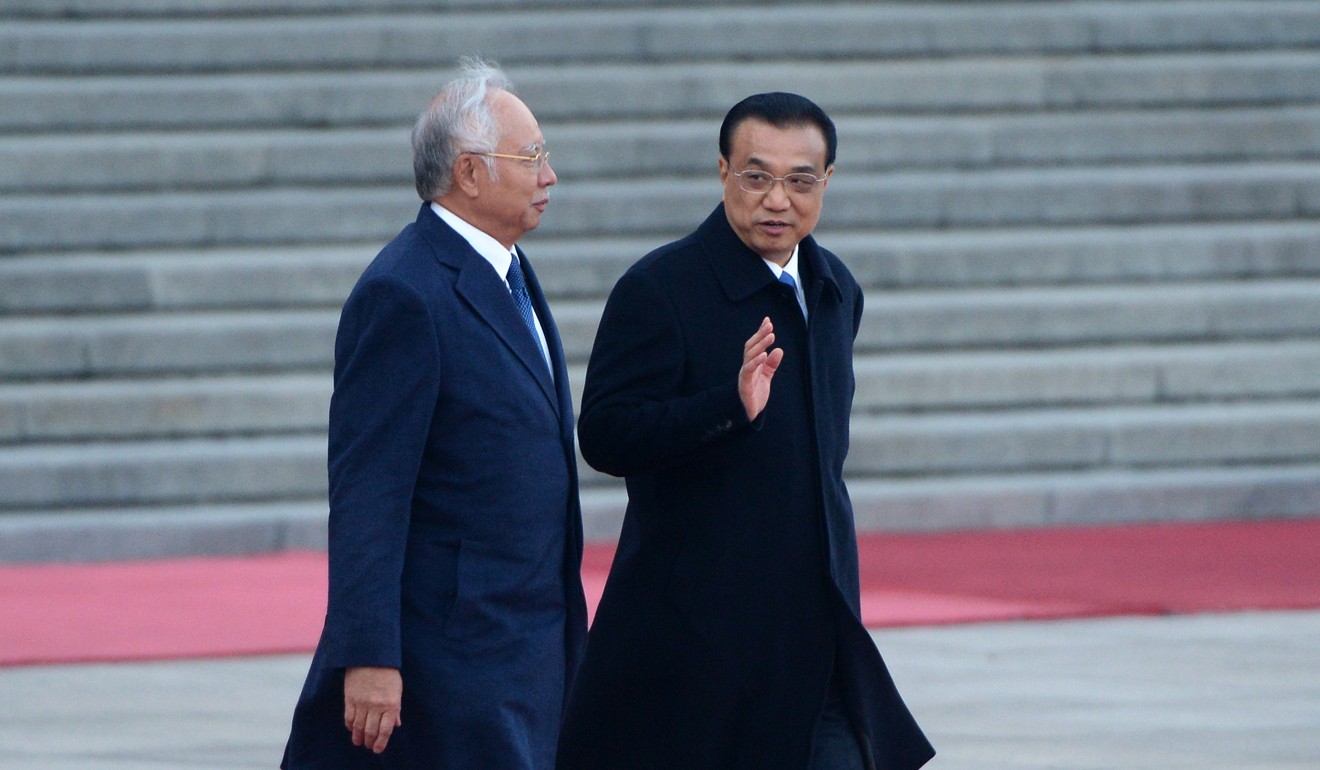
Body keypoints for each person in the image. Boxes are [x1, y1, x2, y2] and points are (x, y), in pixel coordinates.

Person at [555, 92, 934, 770]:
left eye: (800, 180)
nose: (777, 200)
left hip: (814, 635)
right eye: (756, 176)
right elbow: (605, 434)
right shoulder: (660, 288)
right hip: (696, 643)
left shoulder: (834, 288)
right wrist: (723, 405)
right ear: (723, 173)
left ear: (827, 182)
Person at [281, 58, 587, 769]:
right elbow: (368, 493)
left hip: (526, 639)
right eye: (532, 157)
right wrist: (369, 656)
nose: (550, 176)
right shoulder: (405, 294)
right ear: (471, 174)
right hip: (451, 652)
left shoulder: (508, 268)